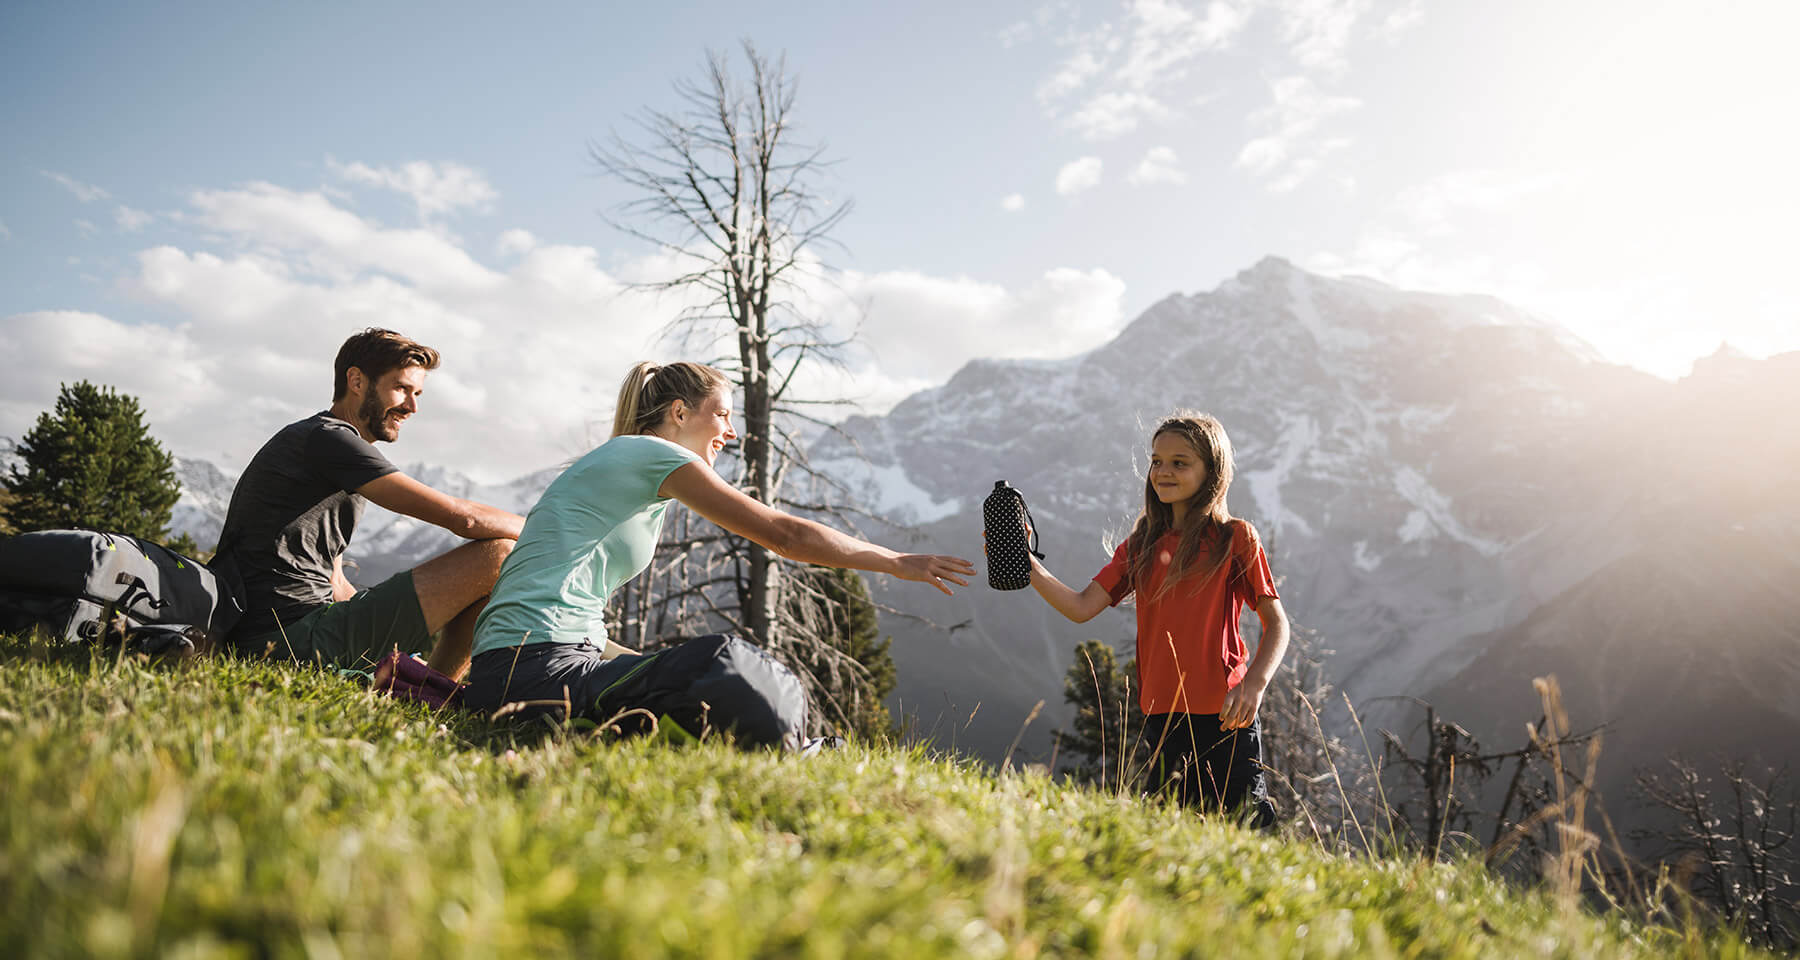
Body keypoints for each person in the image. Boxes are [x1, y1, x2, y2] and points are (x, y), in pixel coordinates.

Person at [463, 361, 975, 741]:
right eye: (722, 416)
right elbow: (784, 536)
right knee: (721, 661)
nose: (730, 433)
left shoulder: (630, 464)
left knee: (691, 677)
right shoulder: (648, 454)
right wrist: (894, 561)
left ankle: (782, 745)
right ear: (679, 413)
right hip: (532, 668)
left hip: (532, 666)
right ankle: (794, 748)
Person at [1020, 411, 1288, 827]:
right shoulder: (1141, 544)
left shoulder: (1234, 538)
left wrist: (1254, 684)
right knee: (1175, 825)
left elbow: (1277, 623)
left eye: (1180, 462)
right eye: (1157, 460)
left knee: (1244, 823)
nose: (1163, 471)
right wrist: (1025, 562)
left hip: (1226, 713)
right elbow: (1080, 607)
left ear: (1212, 472)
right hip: (1162, 715)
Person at [211, 328, 523, 675]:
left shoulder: (324, 448)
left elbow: (335, 582)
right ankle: (431, 690)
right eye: (402, 388)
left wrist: (384, 641)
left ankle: (429, 685)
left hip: (288, 630)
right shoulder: (329, 439)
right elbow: (462, 519)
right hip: (285, 638)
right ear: (357, 381)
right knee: (499, 554)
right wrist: (547, 530)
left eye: (417, 393)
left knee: (486, 582)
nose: (413, 406)